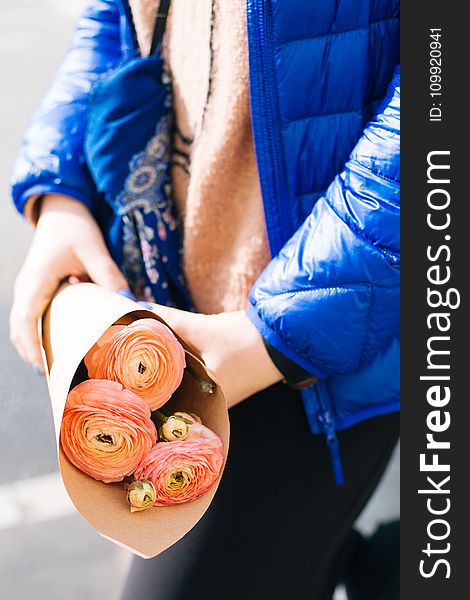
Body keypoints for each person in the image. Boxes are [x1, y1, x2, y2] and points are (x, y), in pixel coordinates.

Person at [10, 1, 400, 598]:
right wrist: (59, 194)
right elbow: (110, 18)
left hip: (309, 352)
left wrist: (273, 335)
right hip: (165, 304)